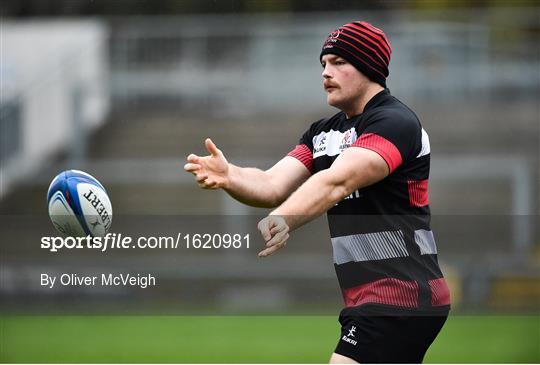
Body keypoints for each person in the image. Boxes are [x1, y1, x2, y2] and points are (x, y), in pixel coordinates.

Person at [184, 20, 451, 364]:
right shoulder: (322, 133)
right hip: (370, 299)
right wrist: (231, 175)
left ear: (370, 67)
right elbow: (270, 185)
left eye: (339, 62)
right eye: (324, 63)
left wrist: (286, 218)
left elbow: (337, 181)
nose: (326, 72)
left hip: (402, 295)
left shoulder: (395, 122)